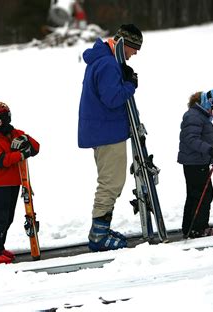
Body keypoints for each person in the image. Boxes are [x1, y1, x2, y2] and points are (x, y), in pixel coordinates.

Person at [77, 24, 142, 252]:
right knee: (111, 183)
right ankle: (98, 235)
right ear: (126, 45)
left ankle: (101, 230)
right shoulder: (107, 63)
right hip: (107, 132)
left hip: (103, 130)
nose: (134, 54)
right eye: (134, 49)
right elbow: (113, 98)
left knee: (110, 181)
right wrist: (130, 84)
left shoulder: (103, 59)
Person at [0, 101, 40, 266]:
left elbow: (36, 147)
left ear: (5, 117)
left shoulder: (15, 133)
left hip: (14, 183)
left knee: (7, 219)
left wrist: (25, 140)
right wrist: (20, 155)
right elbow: (0, 160)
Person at [178, 88, 213, 238]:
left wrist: (211, 156)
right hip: (194, 163)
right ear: (210, 103)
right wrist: (210, 150)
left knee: (196, 195)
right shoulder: (194, 116)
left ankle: (190, 227)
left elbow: (201, 140)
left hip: (197, 162)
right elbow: (190, 139)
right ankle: (198, 228)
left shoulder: (200, 115)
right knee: (202, 195)